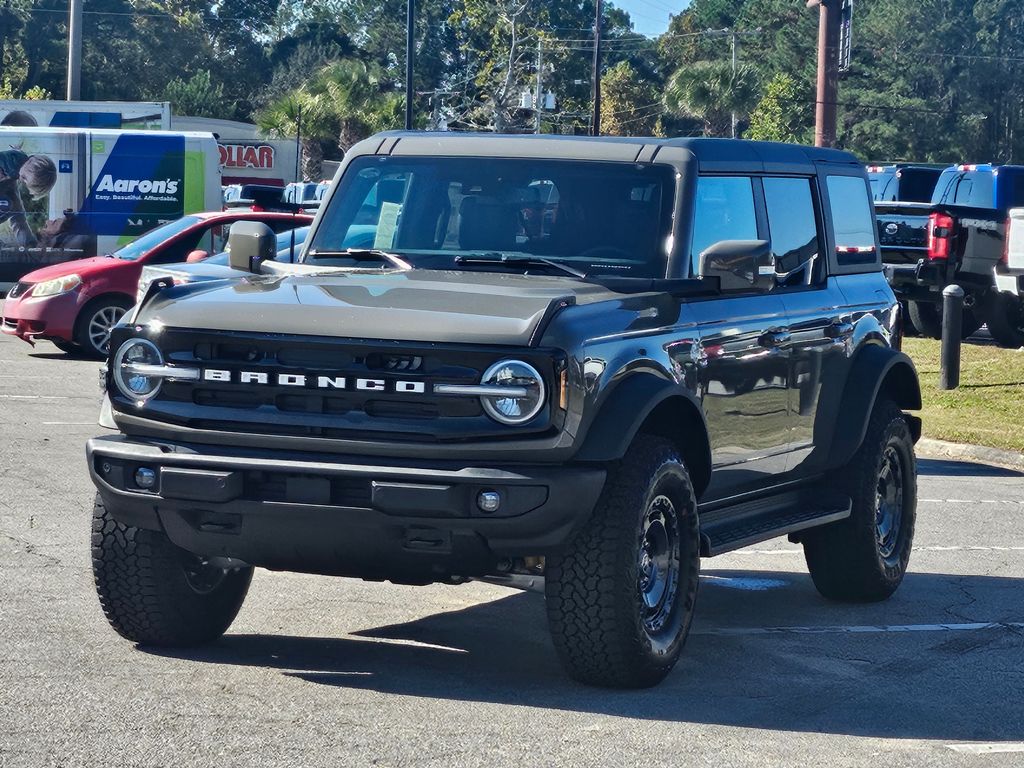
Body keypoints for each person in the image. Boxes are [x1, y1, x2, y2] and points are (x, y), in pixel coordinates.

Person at [0, 149, 58, 247]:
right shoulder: (12, 165)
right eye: (24, 178)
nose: (21, 180)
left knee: (15, 209)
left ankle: (29, 245)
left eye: (24, 181)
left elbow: (19, 216)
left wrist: (30, 246)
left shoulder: (14, 175)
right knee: (11, 206)